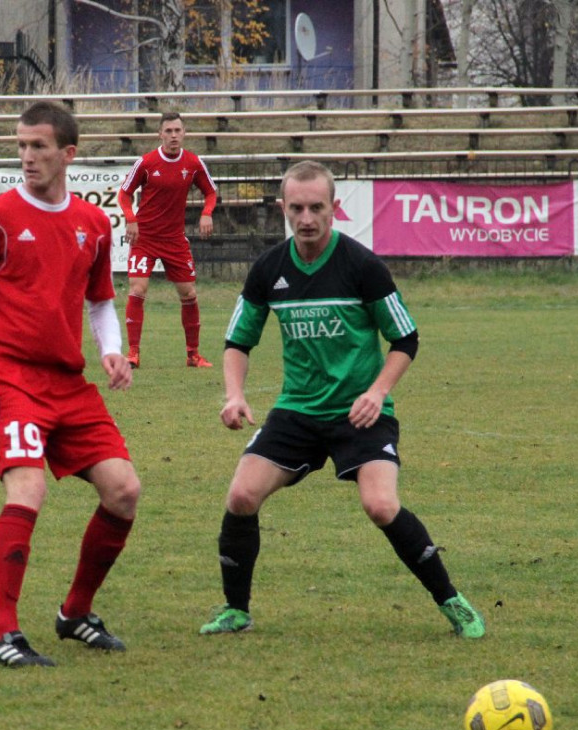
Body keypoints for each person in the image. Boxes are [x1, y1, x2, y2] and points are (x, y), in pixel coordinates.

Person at [199, 160, 485, 640]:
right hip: (297, 411)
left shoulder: (362, 265)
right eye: (297, 208)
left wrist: (377, 392)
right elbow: (237, 342)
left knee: (380, 505)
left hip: (360, 412)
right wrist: (234, 395)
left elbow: (406, 339)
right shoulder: (269, 269)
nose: (307, 217)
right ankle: (236, 610)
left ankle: (451, 600)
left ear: (335, 207)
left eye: (317, 207)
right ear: (281, 208)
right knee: (241, 496)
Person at [0, 101, 141, 667]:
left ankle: (75, 612)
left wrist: (111, 350)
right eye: (21, 145)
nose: (27, 156)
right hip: (10, 375)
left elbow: (101, 301)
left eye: (39, 146)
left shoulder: (93, 224)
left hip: (68, 382)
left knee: (124, 491)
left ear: (67, 154)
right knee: (27, 490)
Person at [118, 111, 217, 369]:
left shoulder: (193, 163)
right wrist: (131, 218)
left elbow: (210, 193)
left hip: (174, 240)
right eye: (169, 131)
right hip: (145, 238)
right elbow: (124, 193)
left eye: (178, 131)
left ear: (184, 133)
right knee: (138, 289)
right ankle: (133, 353)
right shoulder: (147, 163)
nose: (173, 136)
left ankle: (193, 355)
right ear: (160, 134)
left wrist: (206, 213)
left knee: (189, 293)